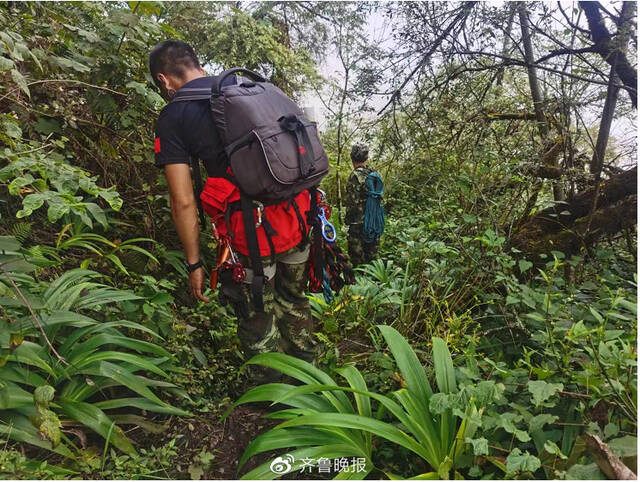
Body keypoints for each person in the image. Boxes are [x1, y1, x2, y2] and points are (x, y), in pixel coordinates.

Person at [149, 40, 316, 377]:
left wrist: (195, 262)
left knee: (256, 313)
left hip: (250, 231)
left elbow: (183, 200)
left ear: (164, 80)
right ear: (198, 64)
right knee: (295, 298)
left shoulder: (174, 116)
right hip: (297, 214)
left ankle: (274, 396)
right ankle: (310, 379)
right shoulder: (252, 87)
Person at [345, 143, 382, 266]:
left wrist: (347, 222)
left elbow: (353, 203)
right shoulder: (374, 173)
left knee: (357, 259)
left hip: (358, 224)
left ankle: (360, 282)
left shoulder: (355, 176)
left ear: (352, 158)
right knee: (372, 256)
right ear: (366, 158)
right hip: (373, 222)